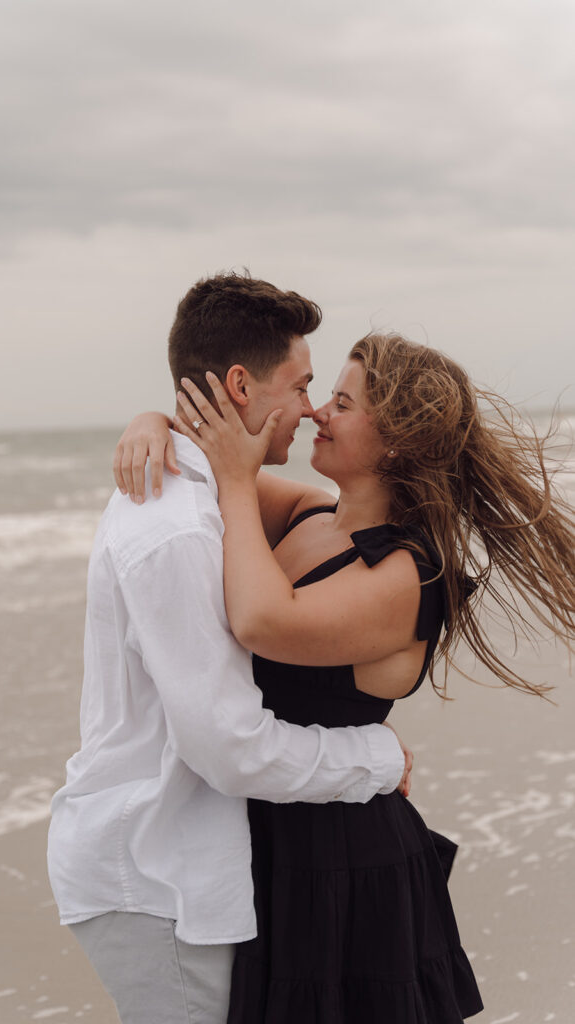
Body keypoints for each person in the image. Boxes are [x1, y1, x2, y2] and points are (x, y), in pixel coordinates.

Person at [118, 331, 574, 1022]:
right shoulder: (309, 516)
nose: (316, 414)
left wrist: (238, 480)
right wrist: (149, 423)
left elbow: (261, 623)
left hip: (343, 863)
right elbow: (202, 464)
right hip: (267, 831)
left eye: (340, 402)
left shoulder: (408, 573)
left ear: (394, 440)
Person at [47, 274, 414, 1024]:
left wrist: (156, 415)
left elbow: (327, 512)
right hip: (154, 874)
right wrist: (378, 760)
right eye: (303, 384)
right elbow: (229, 748)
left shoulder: (207, 490)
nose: (311, 408)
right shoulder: (179, 526)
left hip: (174, 862)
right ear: (241, 383)